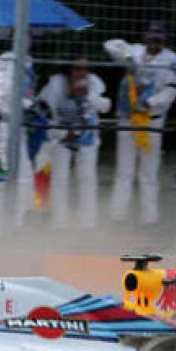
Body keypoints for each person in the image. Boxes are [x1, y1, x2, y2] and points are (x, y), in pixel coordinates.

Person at [104, 20, 176, 227]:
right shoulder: (135, 51)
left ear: (165, 39)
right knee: (124, 170)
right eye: (151, 36)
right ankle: (117, 216)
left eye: (158, 37)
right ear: (144, 36)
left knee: (148, 172)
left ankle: (149, 219)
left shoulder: (171, 59)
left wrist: (149, 103)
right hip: (128, 118)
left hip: (151, 121)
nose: (154, 41)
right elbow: (110, 45)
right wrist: (127, 57)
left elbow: (171, 91)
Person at [36, 56, 111, 229]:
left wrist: (89, 95)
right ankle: (59, 223)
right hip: (61, 138)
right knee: (60, 179)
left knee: (87, 179)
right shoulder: (55, 84)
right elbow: (42, 112)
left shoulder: (94, 82)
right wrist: (61, 133)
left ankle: (88, 224)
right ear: (69, 69)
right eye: (77, 68)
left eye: (85, 68)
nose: (81, 72)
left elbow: (106, 106)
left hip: (88, 138)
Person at [0, 50, 37, 226]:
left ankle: (19, 220)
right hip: (5, 125)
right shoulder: (6, 62)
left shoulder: (19, 60)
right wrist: (27, 105)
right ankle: (14, 223)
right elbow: (4, 92)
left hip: (14, 124)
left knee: (24, 173)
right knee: (18, 174)